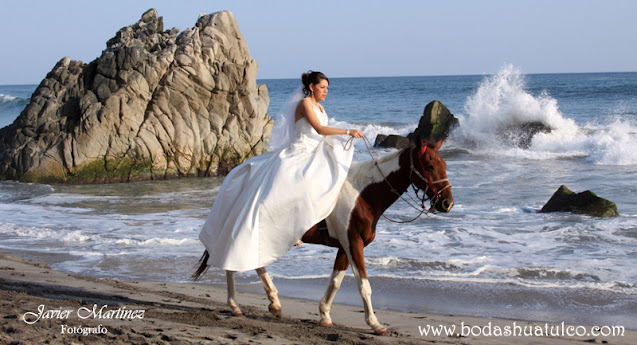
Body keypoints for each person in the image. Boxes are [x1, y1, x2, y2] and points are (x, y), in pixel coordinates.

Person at [199, 71, 364, 272]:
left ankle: (325, 223)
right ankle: (293, 228)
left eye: (327, 89)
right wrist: (348, 131)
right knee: (296, 182)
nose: (325, 92)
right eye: (322, 88)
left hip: (316, 149)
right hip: (301, 149)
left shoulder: (320, 107)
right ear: (312, 87)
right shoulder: (305, 104)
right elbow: (320, 130)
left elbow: (323, 134)